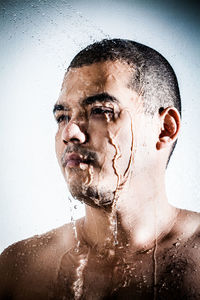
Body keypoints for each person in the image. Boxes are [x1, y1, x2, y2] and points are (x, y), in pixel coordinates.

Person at [0, 39, 199, 300]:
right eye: (62, 117)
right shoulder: (20, 270)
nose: (69, 132)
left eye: (100, 111)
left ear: (165, 129)